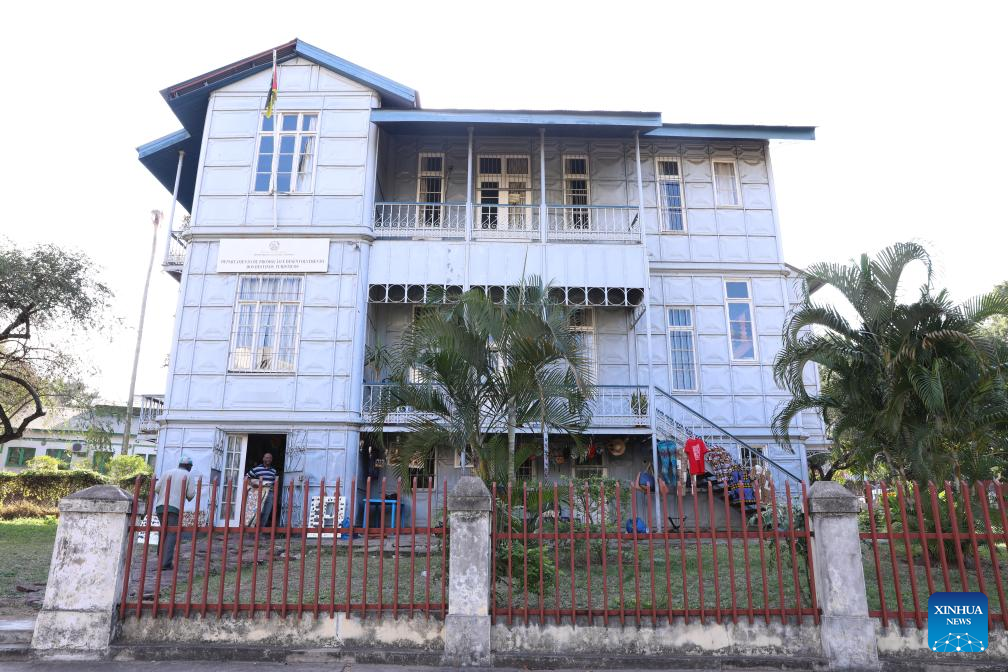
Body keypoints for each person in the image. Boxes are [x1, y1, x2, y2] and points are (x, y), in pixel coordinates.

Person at [153, 455, 197, 571]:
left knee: (163, 532)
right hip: (174, 508)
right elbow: (190, 495)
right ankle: (166, 563)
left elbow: (156, 488)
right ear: (189, 466)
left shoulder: (167, 472)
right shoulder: (188, 475)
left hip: (160, 507)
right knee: (172, 533)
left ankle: (160, 558)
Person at [246, 452, 279, 527]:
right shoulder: (257, 469)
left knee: (267, 511)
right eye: (267, 458)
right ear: (263, 459)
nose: (268, 459)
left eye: (270, 458)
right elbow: (247, 477)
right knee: (259, 511)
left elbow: (275, 482)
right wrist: (252, 484)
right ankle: (254, 528)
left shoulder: (273, 471)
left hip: (270, 493)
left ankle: (261, 529)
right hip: (259, 492)